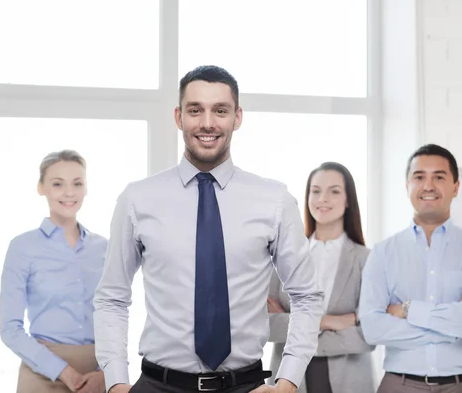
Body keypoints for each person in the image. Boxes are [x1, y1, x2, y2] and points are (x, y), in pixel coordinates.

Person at [93, 65, 324, 393]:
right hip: (159, 385)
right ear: (178, 117)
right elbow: (112, 297)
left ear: (237, 117)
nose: (207, 123)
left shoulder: (273, 200)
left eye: (220, 110)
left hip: (246, 385)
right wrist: (116, 383)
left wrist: (287, 382)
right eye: (195, 110)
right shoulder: (137, 199)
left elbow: (307, 295)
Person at [358, 144, 462, 393]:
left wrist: (407, 309)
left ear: (456, 187)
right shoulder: (382, 253)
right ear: (407, 187)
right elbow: (372, 328)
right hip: (399, 384)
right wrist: (454, 325)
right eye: (419, 177)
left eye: (439, 177)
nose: (428, 186)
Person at [0, 149, 108, 393]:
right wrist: (64, 372)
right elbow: (9, 328)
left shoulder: (104, 248)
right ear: (41, 188)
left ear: (86, 188)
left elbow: (115, 315)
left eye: (77, 183)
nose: (69, 193)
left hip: (96, 375)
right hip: (41, 372)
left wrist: (106, 373)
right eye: (58, 184)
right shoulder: (22, 247)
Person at [268, 162, 375, 393]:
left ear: (348, 200)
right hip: (288, 379)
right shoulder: (284, 254)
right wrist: (329, 322)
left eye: (334, 191)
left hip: (349, 380)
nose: (323, 198)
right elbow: (265, 324)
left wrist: (296, 325)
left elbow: (368, 334)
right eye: (316, 191)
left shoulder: (366, 259)